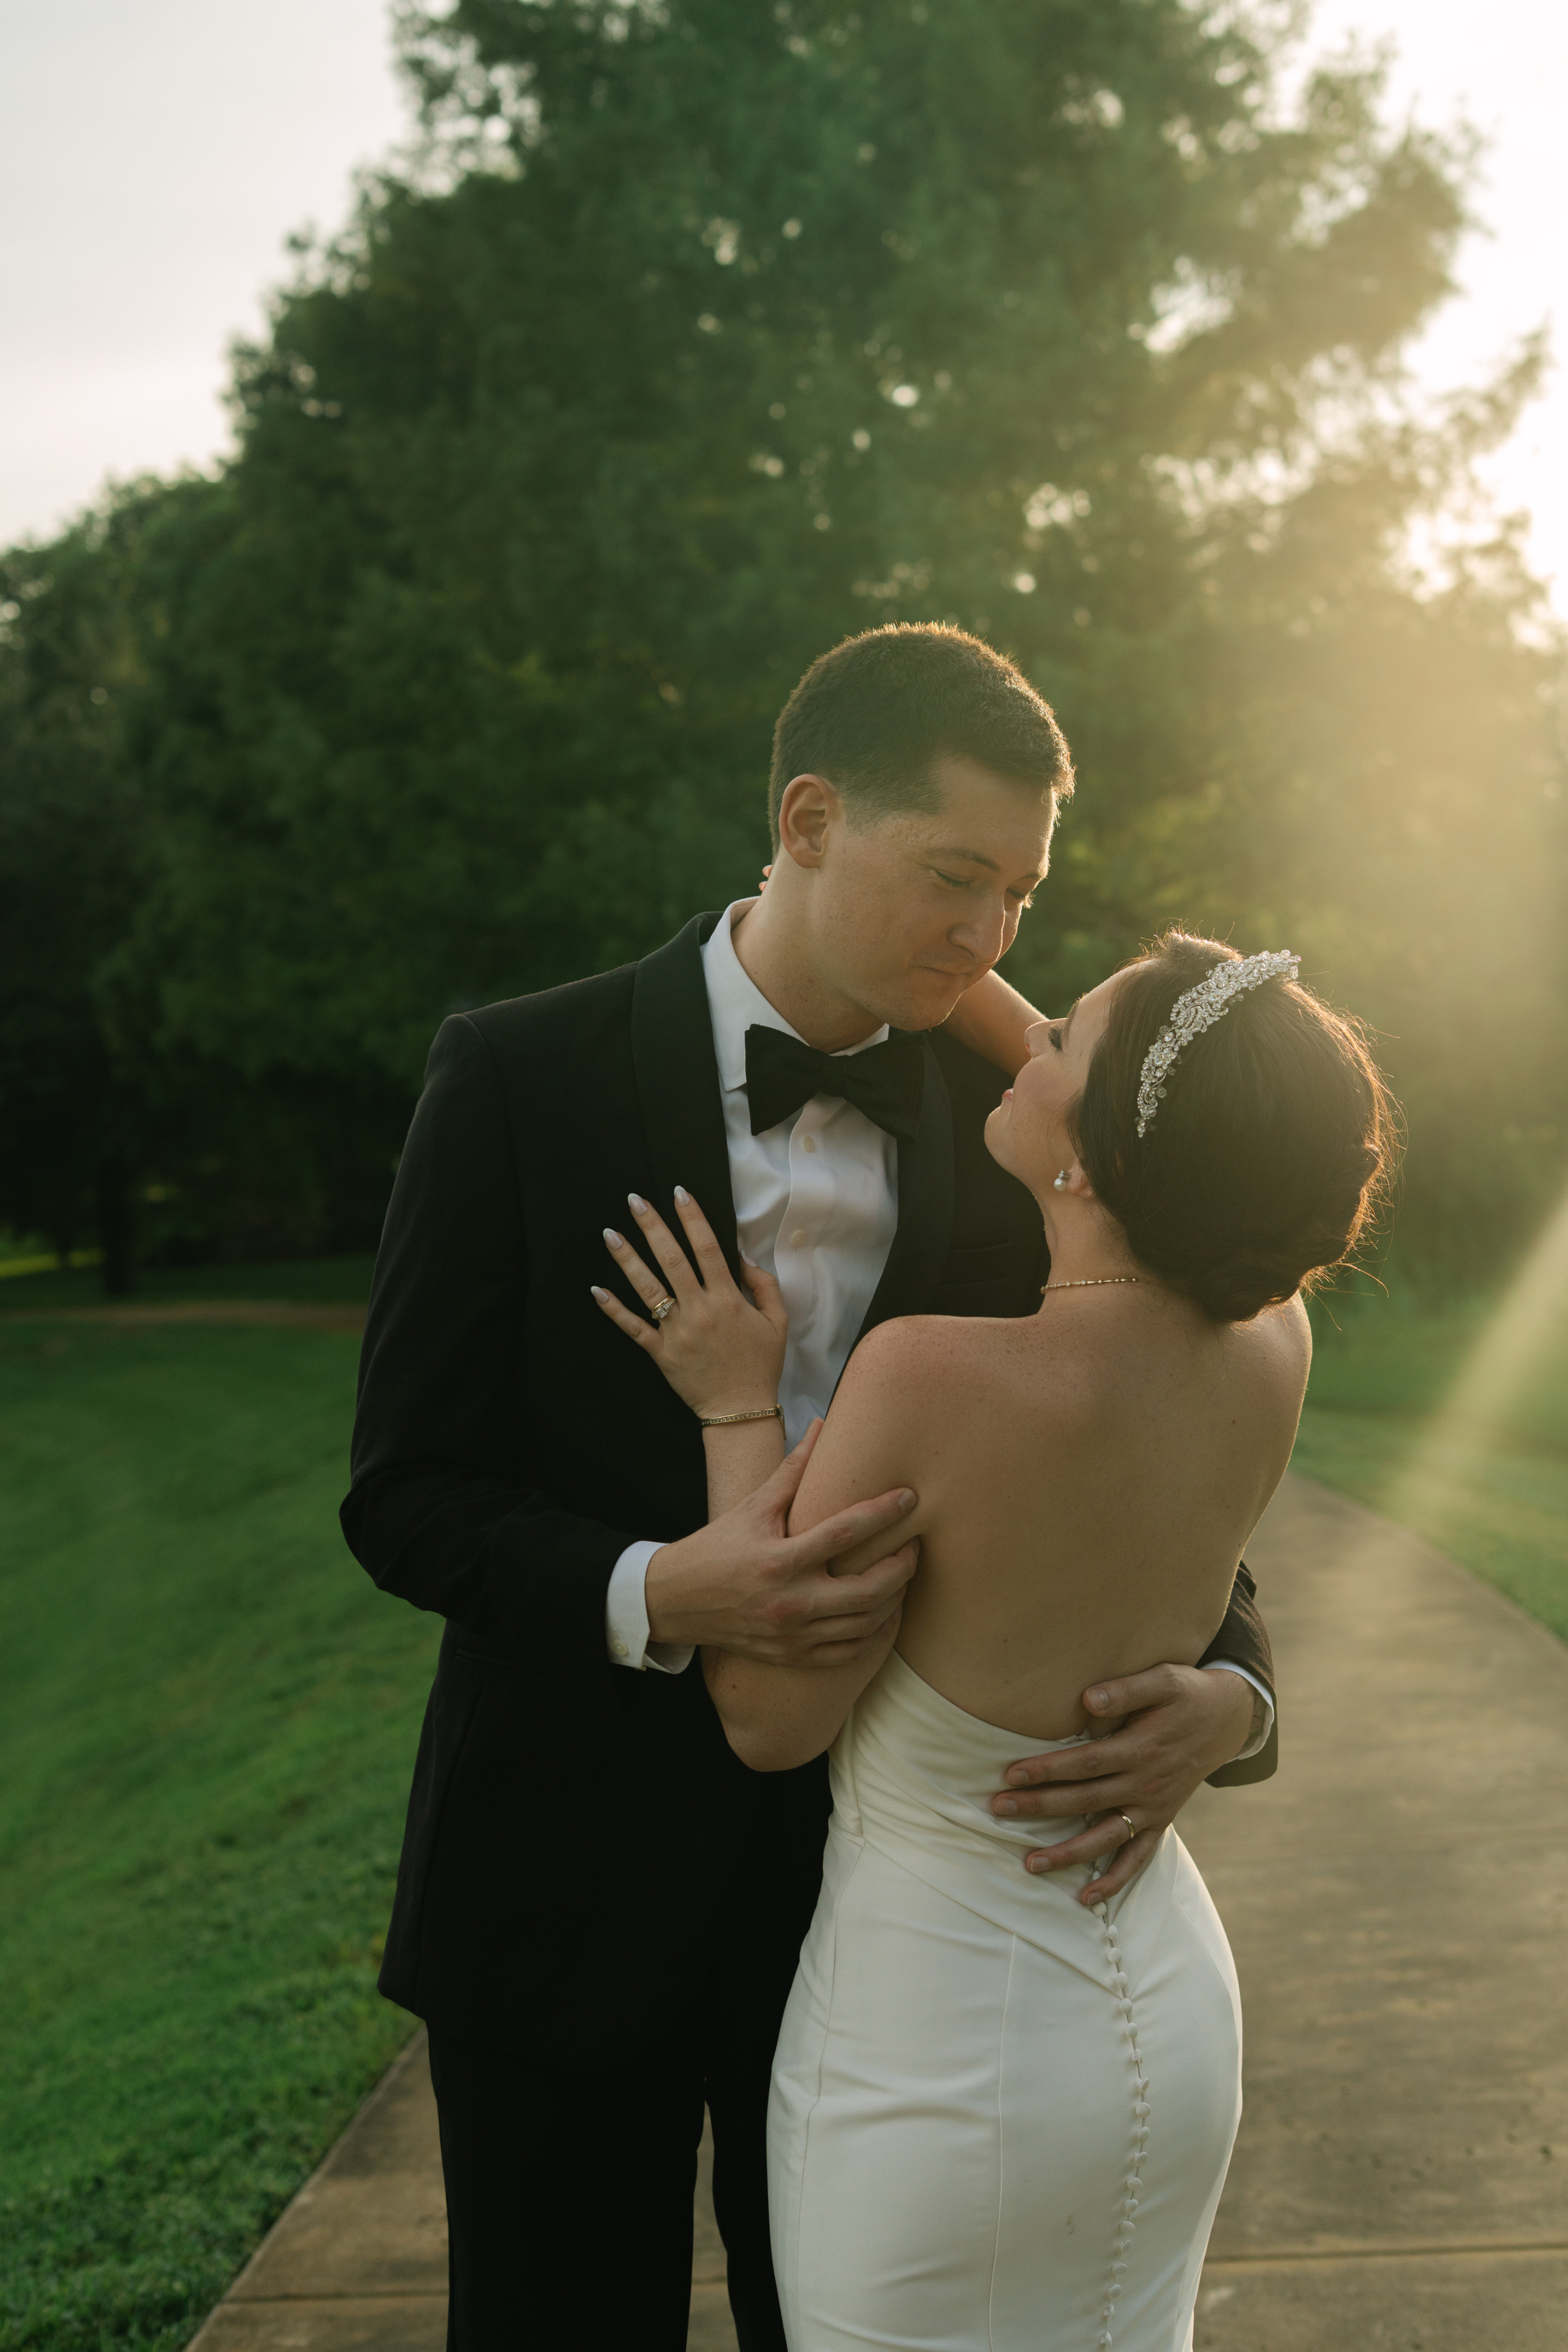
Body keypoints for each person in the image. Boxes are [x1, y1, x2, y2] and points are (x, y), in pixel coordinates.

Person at [340, 625, 1279, 2351]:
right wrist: (655, 1591)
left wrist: (1236, 1691)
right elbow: (402, 1493)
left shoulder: (1035, 1144)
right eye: (953, 877)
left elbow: (1165, 1449)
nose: (991, 935)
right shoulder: (517, 1079)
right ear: (810, 816)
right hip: (558, 1911)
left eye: (1019, 891)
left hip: (885, 1964)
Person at [593, 929, 1391, 2349]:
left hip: (944, 2055)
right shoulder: (1274, 1342)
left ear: (1104, 1154)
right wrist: (942, 937)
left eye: (1063, 1037)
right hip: (1162, 2005)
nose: (1025, 1036)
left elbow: (770, 1719)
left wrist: (734, 1405)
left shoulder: (935, 1380)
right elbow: (1166, 1102)